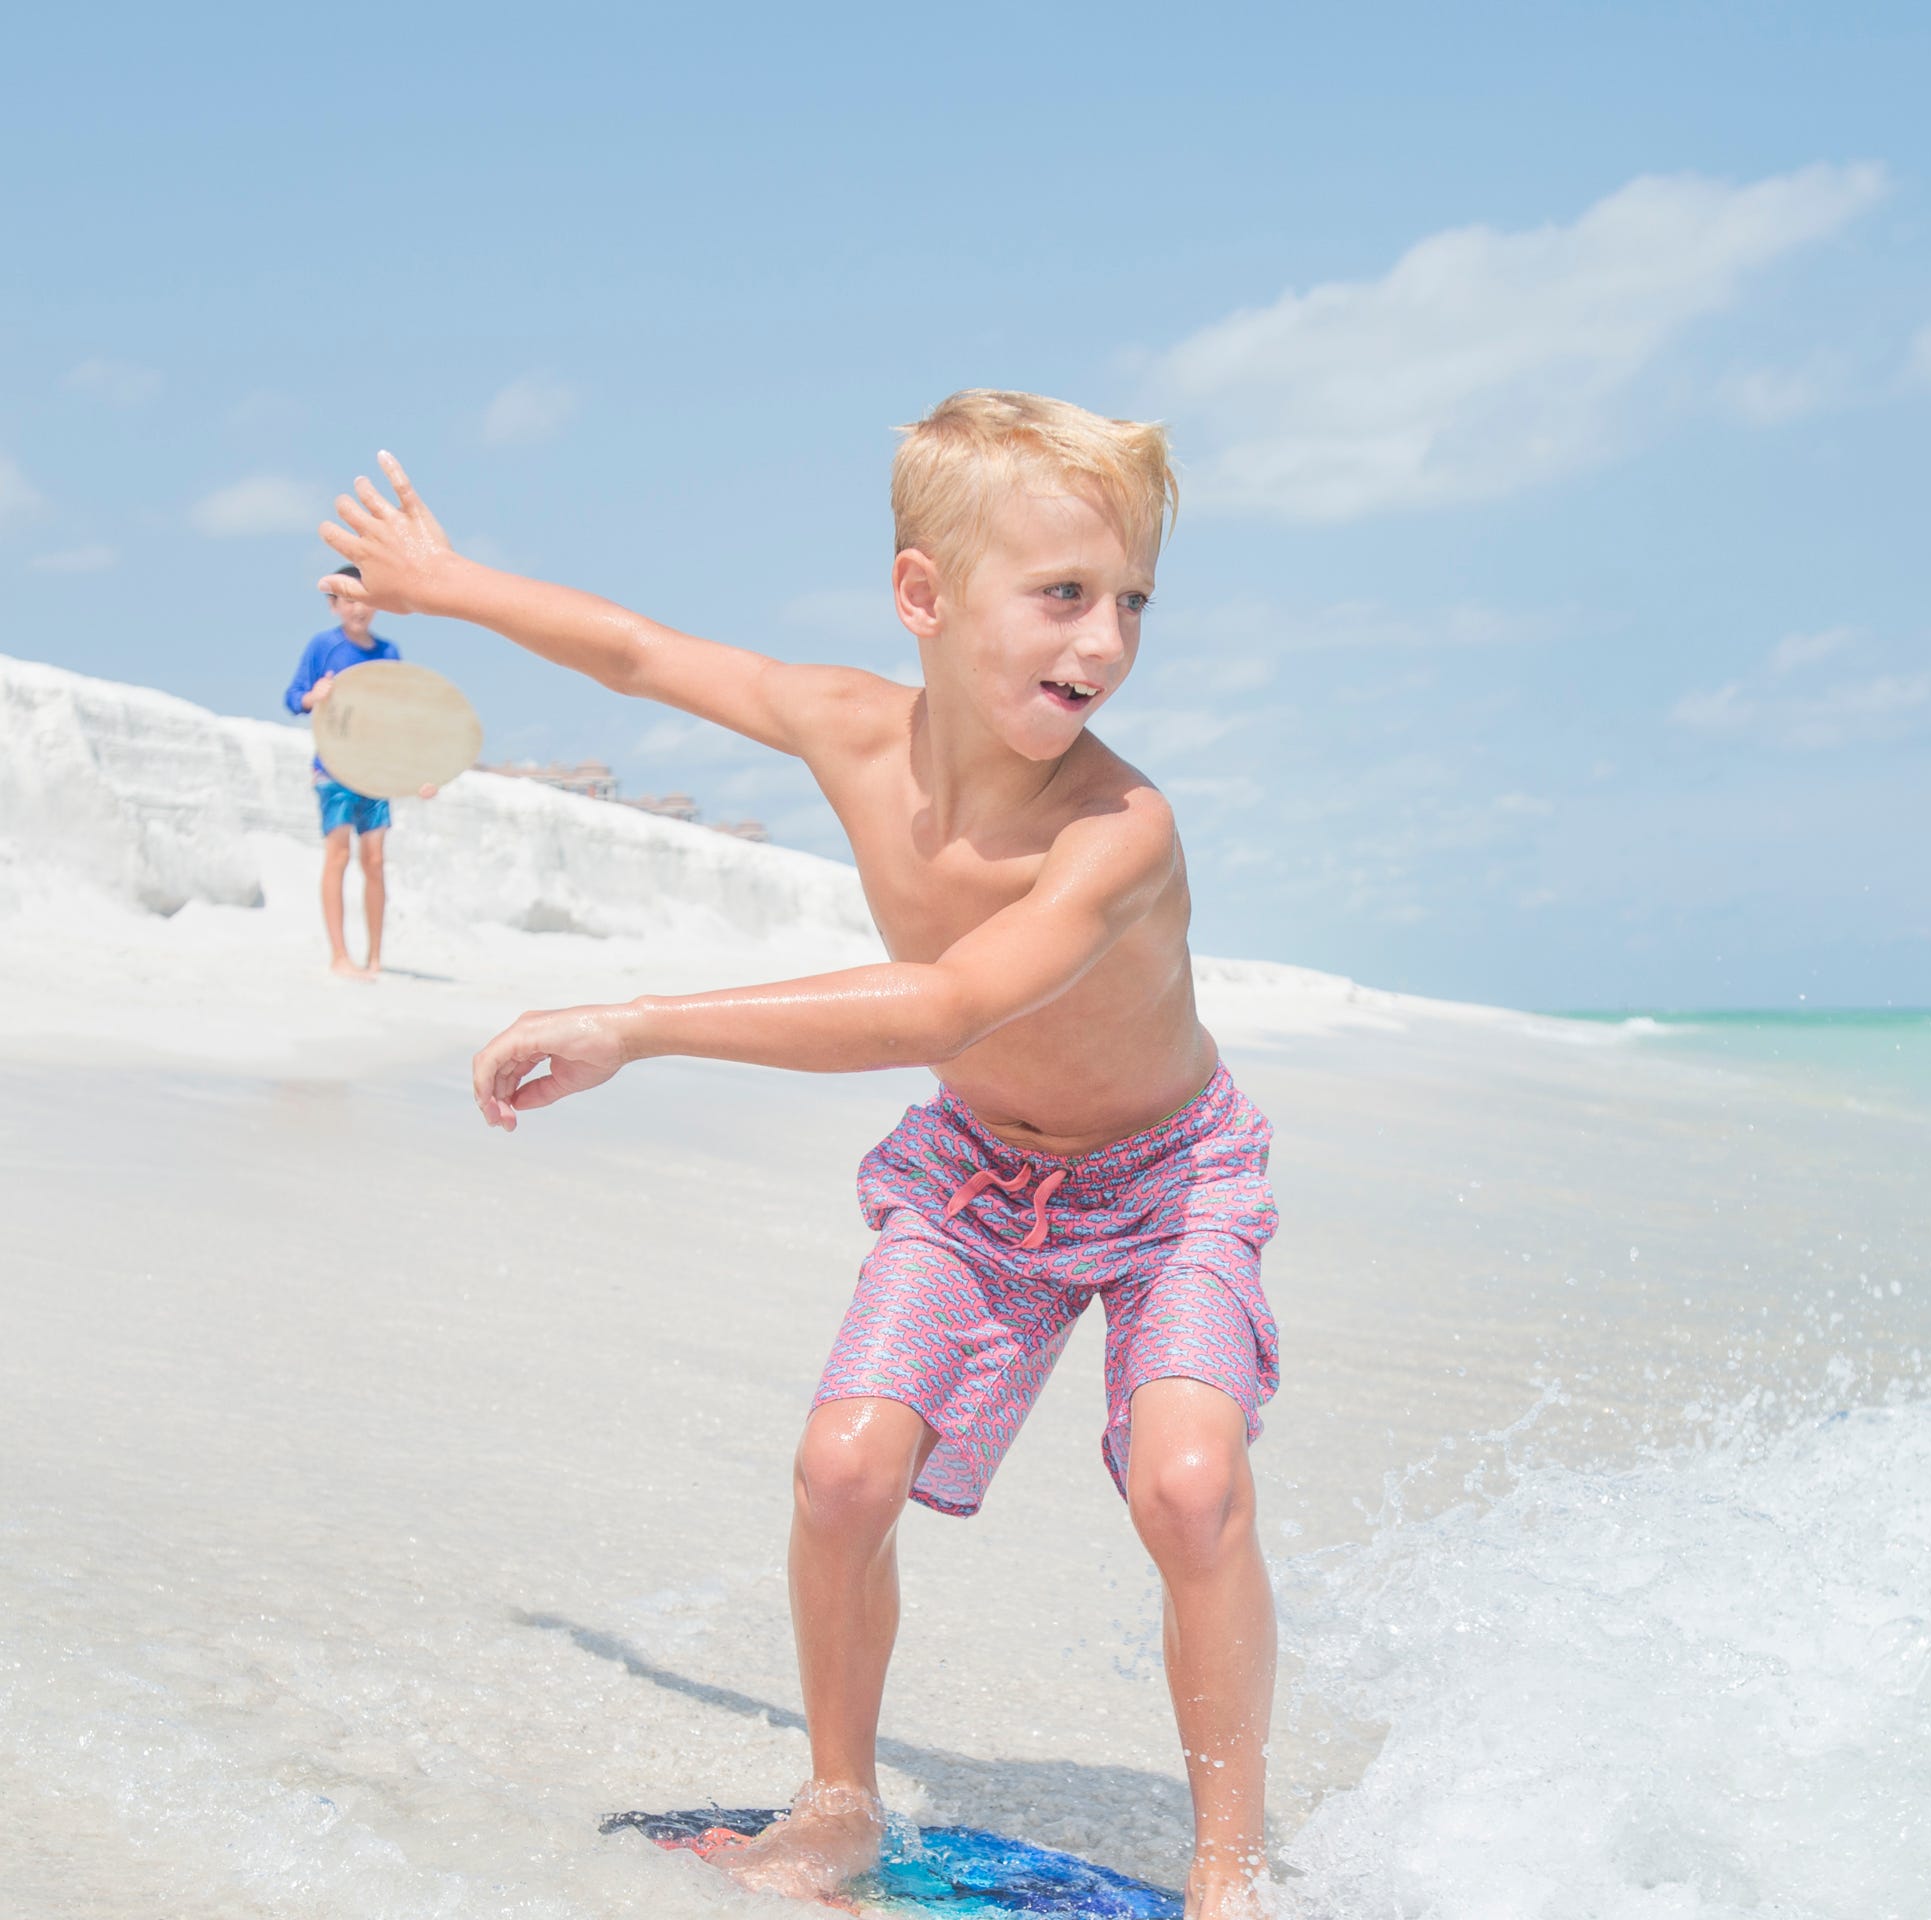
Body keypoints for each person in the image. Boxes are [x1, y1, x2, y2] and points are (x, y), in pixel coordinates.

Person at [314, 395, 1282, 1920]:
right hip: (977, 1175)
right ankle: (836, 1803)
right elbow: (640, 654)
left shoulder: (1119, 830)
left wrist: (640, 1021)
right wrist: (443, 588)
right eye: (1061, 596)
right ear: (922, 597)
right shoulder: (845, 727)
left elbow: (952, 1000)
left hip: (1168, 1186)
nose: (1101, 642)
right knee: (840, 1472)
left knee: (1186, 1486)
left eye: (1130, 602)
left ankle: (1228, 1872)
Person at [283, 566, 404, 978]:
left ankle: (374, 957)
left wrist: (419, 769)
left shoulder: (389, 653)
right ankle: (339, 955)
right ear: (333, 605)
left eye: (365, 598)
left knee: (374, 860)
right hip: (333, 769)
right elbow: (293, 696)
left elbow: (403, 715)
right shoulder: (323, 647)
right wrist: (314, 696)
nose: (359, 607)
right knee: (338, 856)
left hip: (376, 771)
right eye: (348, 599)